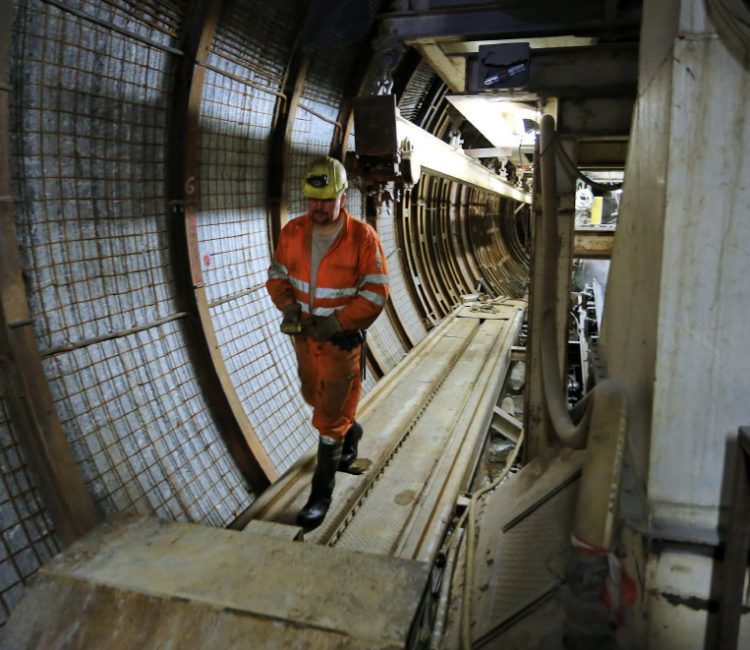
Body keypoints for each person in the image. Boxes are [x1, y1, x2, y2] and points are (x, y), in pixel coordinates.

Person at [266, 156, 389, 528]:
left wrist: (336, 322)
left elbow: (375, 294)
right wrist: (288, 306)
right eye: (311, 200)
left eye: (325, 200)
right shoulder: (292, 232)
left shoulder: (362, 237)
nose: (318, 208)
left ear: (342, 197)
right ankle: (352, 428)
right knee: (313, 395)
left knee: (328, 417)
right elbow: (277, 276)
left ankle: (321, 494)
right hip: (304, 338)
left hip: (340, 343)